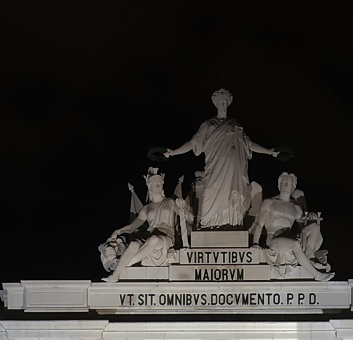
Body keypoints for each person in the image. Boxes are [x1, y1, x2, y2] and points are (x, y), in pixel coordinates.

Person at [162, 89, 279, 229]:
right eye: (220, 101)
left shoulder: (235, 124)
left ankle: (232, 223)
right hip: (214, 166)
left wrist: (267, 151)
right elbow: (193, 142)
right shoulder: (208, 124)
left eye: (225, 101)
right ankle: (208, 224)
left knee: (231, 193)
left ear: (229, 102)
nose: (222, 103)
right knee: (210, 192)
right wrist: (174, 152)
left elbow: (249, 144)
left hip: (232, 166)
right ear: (215, 103)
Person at [102, 168, 190, 282]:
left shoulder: (171, 202)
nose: (158, 186)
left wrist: (183, 208)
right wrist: (117, 231)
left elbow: (190, 217)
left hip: (166, 238)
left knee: (153, 239)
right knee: (134, 243)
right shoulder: (146, 208)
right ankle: (115, 276)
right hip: (150, 235)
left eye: (159, 184)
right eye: (155, 184)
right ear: (150, 187)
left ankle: (123, 267)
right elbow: (131, 227)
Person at [251, 173, 333, 281]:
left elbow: (304, 226)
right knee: (295, 244)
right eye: (283, 183)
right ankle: (317, 275)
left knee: (315, 227)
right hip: (274, 239)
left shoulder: (296, 208)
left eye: (288, 184)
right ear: (279, 185)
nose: (285, 186)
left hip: (289, 237)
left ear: (293, 187)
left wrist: (312, 217)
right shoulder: (269, 202)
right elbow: (260, 224)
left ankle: (306, 258)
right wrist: (255, 243)